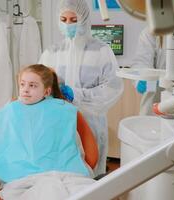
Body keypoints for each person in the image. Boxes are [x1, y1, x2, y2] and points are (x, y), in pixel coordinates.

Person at [0, 64, 98, 200]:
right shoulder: (10, 111)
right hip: (22, 178)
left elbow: (69, 148)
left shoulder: (63, 110)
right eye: (22, 84)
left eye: (32, 85)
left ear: (47, 92)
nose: (25, 90)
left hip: (66, 173)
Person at [39, 0, 124, 176]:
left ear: (84, 19)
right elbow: (39, 85)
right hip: (59, 124)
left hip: (90, 125)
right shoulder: (52, 52)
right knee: (63, 175)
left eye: (73, 19)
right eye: (63, 19)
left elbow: (112, 88)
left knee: (91, 173)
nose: (68, 24)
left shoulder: (101, 51)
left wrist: (76, 95)